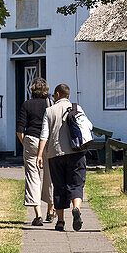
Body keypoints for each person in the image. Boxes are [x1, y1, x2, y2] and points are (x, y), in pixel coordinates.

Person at [36, 82, 87, 232]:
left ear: (57, 95)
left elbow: (44, 134)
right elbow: (86, 127)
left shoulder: (49, 111)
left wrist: (40, 154)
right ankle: (76, 208)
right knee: (76, 184)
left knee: (59, 187)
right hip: (76, 152)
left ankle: (60, 221)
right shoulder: (77, 108)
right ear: (68, 95)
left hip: (55, 154)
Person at [16, 76, 56, 226]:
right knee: (50, 176)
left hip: (32, 140)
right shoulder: (51, 104)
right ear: (46, 89)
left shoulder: (27, 104)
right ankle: (50, 212)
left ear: (32, 89)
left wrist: (25, 143)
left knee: (33, 176)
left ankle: (38, 215)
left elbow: (19, 129)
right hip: (48, 142)